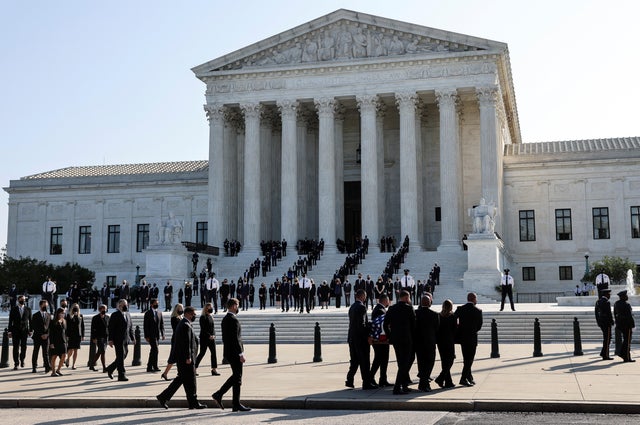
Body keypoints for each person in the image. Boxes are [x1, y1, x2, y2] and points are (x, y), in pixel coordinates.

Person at [156, 306, 206, 409]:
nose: (194, 316)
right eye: (193, 314)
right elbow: (186, 343)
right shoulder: (185, 325)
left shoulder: (184, 323)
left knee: (181, 380)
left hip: (183, 359)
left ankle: (163, 397)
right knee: (191, 381)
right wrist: (188, 357)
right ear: (187, 314)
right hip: (186, 359)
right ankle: (193, 402)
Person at [211, 298, 251, 412]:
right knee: (237, 377)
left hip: (229, 352)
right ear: (233, 306)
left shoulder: (225, 319)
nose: (238, 307)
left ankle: (235, 403)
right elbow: (235, 339)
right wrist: (241, 353)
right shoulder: (233, 320)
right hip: (235, 353)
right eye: (237, 305)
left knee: (237, 378)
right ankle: (219, 394)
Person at [384, 290, 416, 395]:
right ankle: (397, 387)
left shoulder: (392, 308)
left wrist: (390, 336)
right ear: (406, 298)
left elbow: (385, 325)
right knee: (404, 364)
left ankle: (404, 385)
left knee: (401, 362)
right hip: (407, 339)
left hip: (396, 340)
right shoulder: (409, 308)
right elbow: (414, 325)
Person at [345, 289, 377, 390]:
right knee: (364, 361)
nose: (365, 298)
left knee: (354, 360)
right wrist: (368, 333)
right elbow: (362, 324)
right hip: (360, 339)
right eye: (365, 296)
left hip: (352, 337)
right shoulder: (362, 307)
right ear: (362, 296)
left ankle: (349, 380)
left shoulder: (352, 307)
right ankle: (366, 383)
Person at [455, 292, 483, 386]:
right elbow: (479, 326)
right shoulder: (478, 311)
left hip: (462, 337)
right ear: (474, 299)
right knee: (469, 359)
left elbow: (454, 319)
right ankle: (463, 378)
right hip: (472, 337)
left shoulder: (460, 309)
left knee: (466, 358)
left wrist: (459, 328)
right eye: (476, 299)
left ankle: (469, 377)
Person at [415, 294, 440, 392]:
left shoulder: (415, 313)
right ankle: (424, 383)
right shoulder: (434, 314)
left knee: (421, 363)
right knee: (430, 362)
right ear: (430, 303)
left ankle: (423, 383)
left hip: (418, 342)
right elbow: (437, 328)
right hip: (430, 342)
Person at [106, 299, 135, 381]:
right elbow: (111, 328)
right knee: (121, 355)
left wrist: (133, 338)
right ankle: (121, 375)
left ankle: (110, 368)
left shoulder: (128, 314)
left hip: (126, 339)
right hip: (118, 339)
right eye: (123, 305)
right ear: (119, 306)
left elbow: (130, 327)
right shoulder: (115, 315)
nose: (125, 306)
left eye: (126, 304)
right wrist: (110, 339)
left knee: (124, 355)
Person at [369, 293, 391, 387]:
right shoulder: (380, 310)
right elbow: (381, 325)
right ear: (385, 300)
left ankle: (382, 379)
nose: (389, 301)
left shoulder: (379, 309)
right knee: (379, 359)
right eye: (388, 300)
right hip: (380, 340)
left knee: (382, 359)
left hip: (380, 339)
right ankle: (370, 378)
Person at [434, 299, 457, 388]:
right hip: (449, 341)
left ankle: (448, 381)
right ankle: (440, 378)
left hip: (440, 341)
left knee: (444, 361)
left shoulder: (438, 316)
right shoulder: (453, 316)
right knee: (450, 360)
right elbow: (455, 329)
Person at [195, 302, 220, 376]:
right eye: (209, 307)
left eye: (211, 307)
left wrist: (214, 335)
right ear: (206, 308)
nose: (211, 308)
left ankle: (214, 369)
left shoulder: (211, 316)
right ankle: (194, 368)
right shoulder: (203, 317)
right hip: (204, 338)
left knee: (213, 353)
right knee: (202, 353)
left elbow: (213, 328)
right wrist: (209, 335)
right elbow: (203, 329)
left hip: (212, 338)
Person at [8, 294, 32, 370]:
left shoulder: (28, 309)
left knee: (24, 347)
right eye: (22, 299)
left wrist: (31, 330)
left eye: (24, 300)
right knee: (15, 347)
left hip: (24, 331)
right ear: (18, 300)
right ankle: (16, 363)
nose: (23, 301)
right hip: (15, 331)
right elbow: (10, 321)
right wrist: (9, 331)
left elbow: (30, 321)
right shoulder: (13, 309)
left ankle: (22, 360)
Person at [161, 303, 184, 380]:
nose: (182, 310)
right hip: (176, 339)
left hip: (180, 339)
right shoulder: (174, 318)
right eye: (180, 308)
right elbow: (176, 328)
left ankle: (179, 373)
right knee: (173, 356)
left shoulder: (180, 317)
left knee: (179, 357)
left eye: (182, 308)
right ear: (177, 309)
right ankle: (165, 373)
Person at [144, 298, 165, 372]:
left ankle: (149, 367)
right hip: (151, 335)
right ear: (151, 304)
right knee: (155, 350)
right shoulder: (148, 313)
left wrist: (163, 334)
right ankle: (155, 366)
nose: (157, 304)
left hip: (157, 335)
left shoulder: (159, 313)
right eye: (155, 303)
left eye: (157, 303)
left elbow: (161, 324)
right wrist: (146, 336)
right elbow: (145, 326)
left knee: (153, 351)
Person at [614, 290, 635, 362]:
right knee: (627, 341)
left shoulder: (616, 304)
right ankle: (626, 357)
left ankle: (623, 354)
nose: (627, 297)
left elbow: (615, 315)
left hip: (621, 325)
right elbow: (629, 316)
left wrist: (618, 323)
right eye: (626, 296)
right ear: (623, 297)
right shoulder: (627, 305)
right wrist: (633, 325)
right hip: (627, 325)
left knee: (625, 340)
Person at [31, 299, 51, 373]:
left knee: (45, 352)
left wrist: (47, 334)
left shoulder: (48, 315)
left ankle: (47, 367)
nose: (46, 306)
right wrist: (41, 334)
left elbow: (50, 326)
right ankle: (34, 367)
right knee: (36, 351)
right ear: (40, 305)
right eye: (44, 305)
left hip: (46, 337)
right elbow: (34, 326)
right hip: (37, 336)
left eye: (46, 305)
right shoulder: (35, 315)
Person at [595, 288, 614, 360]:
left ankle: (603, 352)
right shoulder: (607, 302)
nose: (610, 295)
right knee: (607, 339)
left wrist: (598, 322)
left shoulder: (598, 301)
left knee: (606, 338)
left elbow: (596, 313)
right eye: (609, 294)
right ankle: (605, 355)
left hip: (601, 323)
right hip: (607, 323)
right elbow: (609, 313)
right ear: (606, 294)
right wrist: (611, 321)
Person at [90, 304, 109, 372]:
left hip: (105, 337)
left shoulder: (107, 317)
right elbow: (93, 329)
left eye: (105, 309)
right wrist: (94, 338)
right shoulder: (95, 318)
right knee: (103, 351)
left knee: (99, 352)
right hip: (98, 337)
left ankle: (91, 364)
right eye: (102, 308)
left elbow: (108, 327)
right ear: (99, 310)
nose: (103, 310)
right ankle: (104, 367)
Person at [49, 307, 67, 376]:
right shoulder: (53, 321)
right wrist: (51, 343)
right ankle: (53, 372)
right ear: (58, 313)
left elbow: (65, 332)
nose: (63, 314)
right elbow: (51, 333)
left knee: (64, 355)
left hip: (63, 341)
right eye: (62, 313)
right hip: (55, 341)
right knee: (54, 356)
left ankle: (58, 370)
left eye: (64, 313)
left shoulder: (64, 321)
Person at [65, 303, 84, 369]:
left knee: (76, 350)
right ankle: (68, 359)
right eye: (74, 307)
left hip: (78, 335)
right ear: (72, 308)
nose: (76, 308)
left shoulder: (80, 316)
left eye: (77, 307)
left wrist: (83, 335)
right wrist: (67, 335)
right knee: (71, 349)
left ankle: (73, 364)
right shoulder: (68, 316)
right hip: (71, 335)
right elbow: (67, 326)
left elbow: (82, 326)